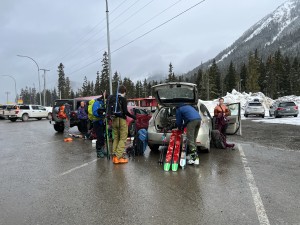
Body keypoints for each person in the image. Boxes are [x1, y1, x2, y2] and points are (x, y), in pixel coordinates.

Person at [112, 85, 136, 164]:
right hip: (121, 120)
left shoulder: (114, 99)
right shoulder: (123, 99)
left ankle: (114, 154)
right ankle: (118, 157)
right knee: (123, 138)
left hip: (114, 120)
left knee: (116, 138)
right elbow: (125, 111)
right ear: (124, 92)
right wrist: (133, 116)